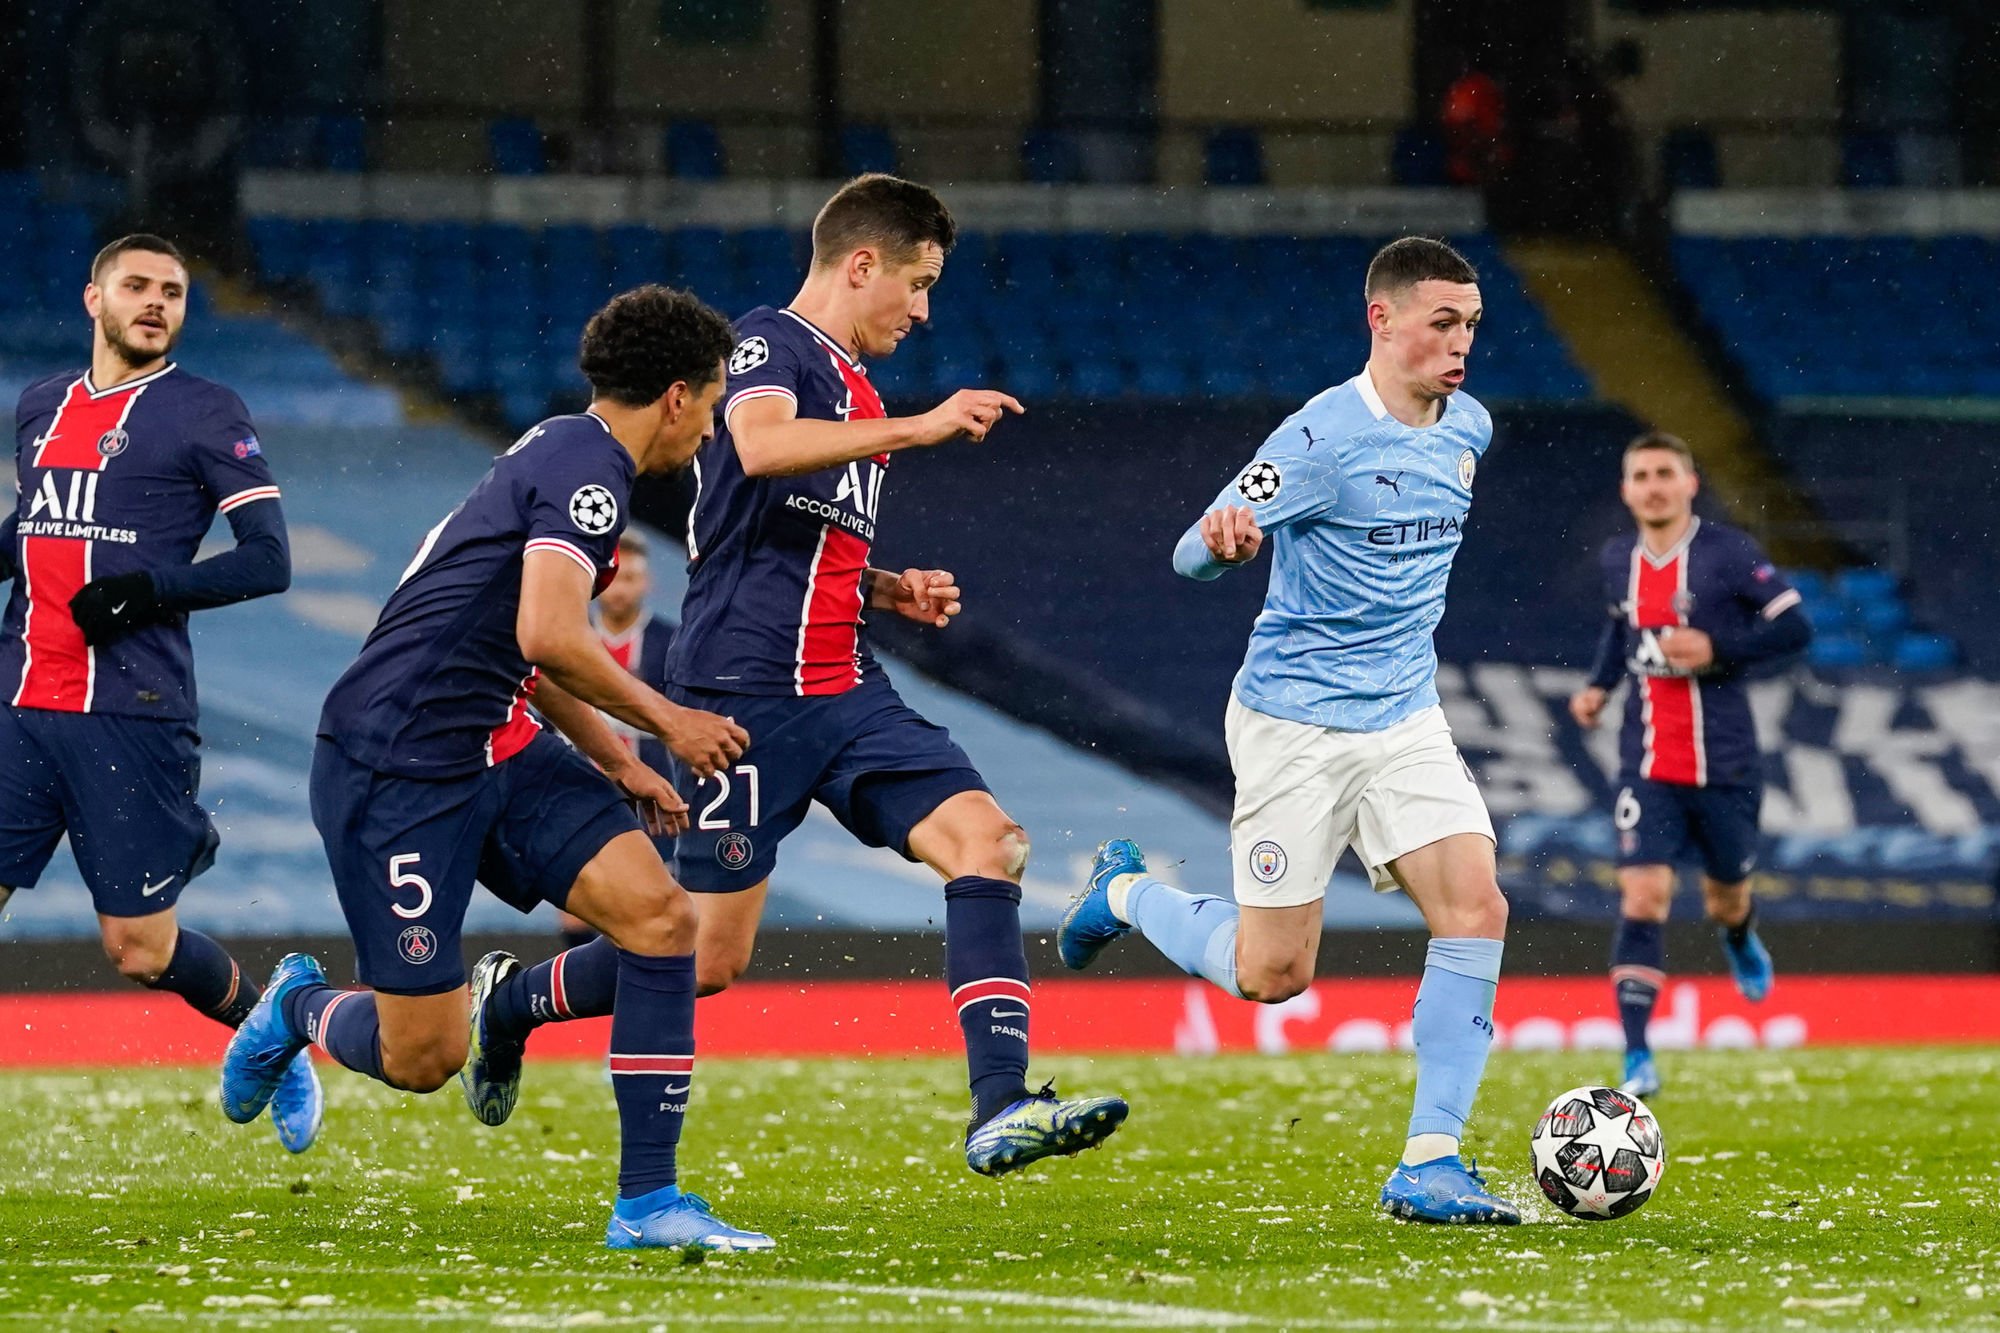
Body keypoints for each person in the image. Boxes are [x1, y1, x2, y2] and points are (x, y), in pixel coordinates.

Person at [472, 172, 1127, 1178]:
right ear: (860, 265)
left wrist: (887, 586)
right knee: (707, 956)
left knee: (988, 843)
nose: (923, 310)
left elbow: (787, 532)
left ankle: (999, 1103)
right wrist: (921, 426)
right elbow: (760, 442)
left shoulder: (856, 387)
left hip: (848, 689)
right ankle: (512, 1002)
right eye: (917, 283)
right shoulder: (765, 343)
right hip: (739, 694)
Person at [218, 286, 773, 1252]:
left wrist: (617, 760)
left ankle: (646, 1200)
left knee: (664, 920)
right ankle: (296, 1005)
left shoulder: (568, 451)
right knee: (421, 1057)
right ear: (677, 396)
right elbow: (550, 634)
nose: (712, 427)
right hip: (396, 764)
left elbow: (527, 650)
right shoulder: (590, 473)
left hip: (501, 744)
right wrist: (670, 725)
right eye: (714, 402)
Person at [1059, 236, 1518, 1224]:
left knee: (1476, 906)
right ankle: (1125, 891)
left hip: (1403, 716)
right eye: (1442, 322)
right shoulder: (1317, 441)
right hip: (1295, 726)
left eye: (1471, 324)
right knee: (1272, 974)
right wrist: (1223, 546)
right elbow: (1189, 553)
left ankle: (1430, 1161)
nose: (1461, 343)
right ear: (1380, 320)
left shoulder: (1469, 428)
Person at [0, 233, 316, 1152]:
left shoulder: (205, 411)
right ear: (92, 298)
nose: (155, 302)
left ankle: (273, 1027)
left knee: (138, 948)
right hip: (21, 703)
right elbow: (37, 522)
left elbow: (269, 559)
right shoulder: (41, 403)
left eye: (172, 292)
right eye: (136, 285)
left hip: (128, 715)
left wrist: (148, 589)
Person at [1567, 431, 1810, 1099]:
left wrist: (1718, 646)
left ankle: (1740, 934)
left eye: (1664, 473)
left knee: (1725, 898)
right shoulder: (1618, 558)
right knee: (1644, 895)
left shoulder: (1728, 553)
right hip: (1647, 764)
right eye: (1641, 475)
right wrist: (1598, 686)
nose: (1653, 486)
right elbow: (1620, 629)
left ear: (1689, 482)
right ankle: (1637, 1053)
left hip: (1725, 764)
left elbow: (1794, 626)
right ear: (1626, 490)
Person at [548, 528, 677, 946]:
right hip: (576, 792)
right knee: (577, 909)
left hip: (652, 798)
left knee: (654, 906)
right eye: (615, 576)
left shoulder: (670, 644)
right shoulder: (563, 640)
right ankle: (588, 982)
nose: (621, 589)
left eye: (631, 578)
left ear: (647, 582)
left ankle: (642, 981)